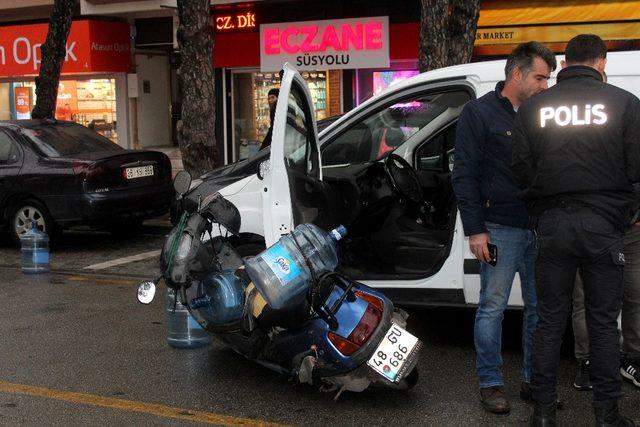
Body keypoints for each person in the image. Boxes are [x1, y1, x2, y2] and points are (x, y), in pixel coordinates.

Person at [512, 34, 640, 426]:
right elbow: (637, 170)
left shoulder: (536, 107)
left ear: (565, 64)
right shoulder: (625, 104)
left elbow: (519, 167)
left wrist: (539, 208)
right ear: (601, 63)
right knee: (603, 323)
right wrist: (625, 212)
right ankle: (606, 416)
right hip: (604, 227)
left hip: (552, 226)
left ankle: (544, 415)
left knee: (550, 322)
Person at [452, 41, 556, 414]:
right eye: (541, 77)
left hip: (540, 228)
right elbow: (464, 175)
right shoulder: (478, 113)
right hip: (499, 228)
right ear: (517, 74)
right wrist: (476, 230)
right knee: (492, 308)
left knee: (539, 310)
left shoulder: (544, 113)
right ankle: (491, 385)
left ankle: (534, 382)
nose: (546, 85)